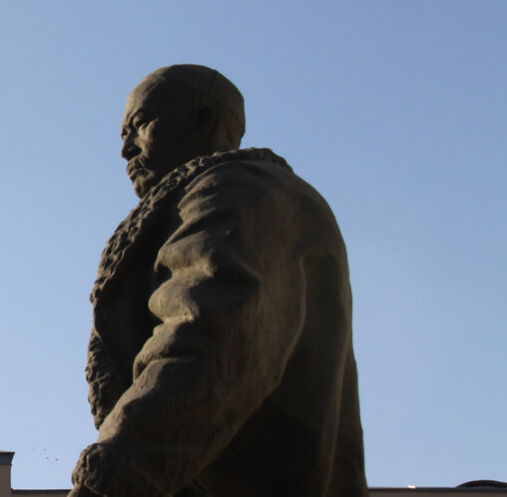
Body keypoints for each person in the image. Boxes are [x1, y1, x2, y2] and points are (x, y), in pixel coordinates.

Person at [70, 65, 369, 497]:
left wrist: (107, 483)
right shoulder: (237, 196)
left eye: (140, 124)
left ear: (201, 120)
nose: (126, 150)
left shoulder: (237, 193)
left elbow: (203, 345)